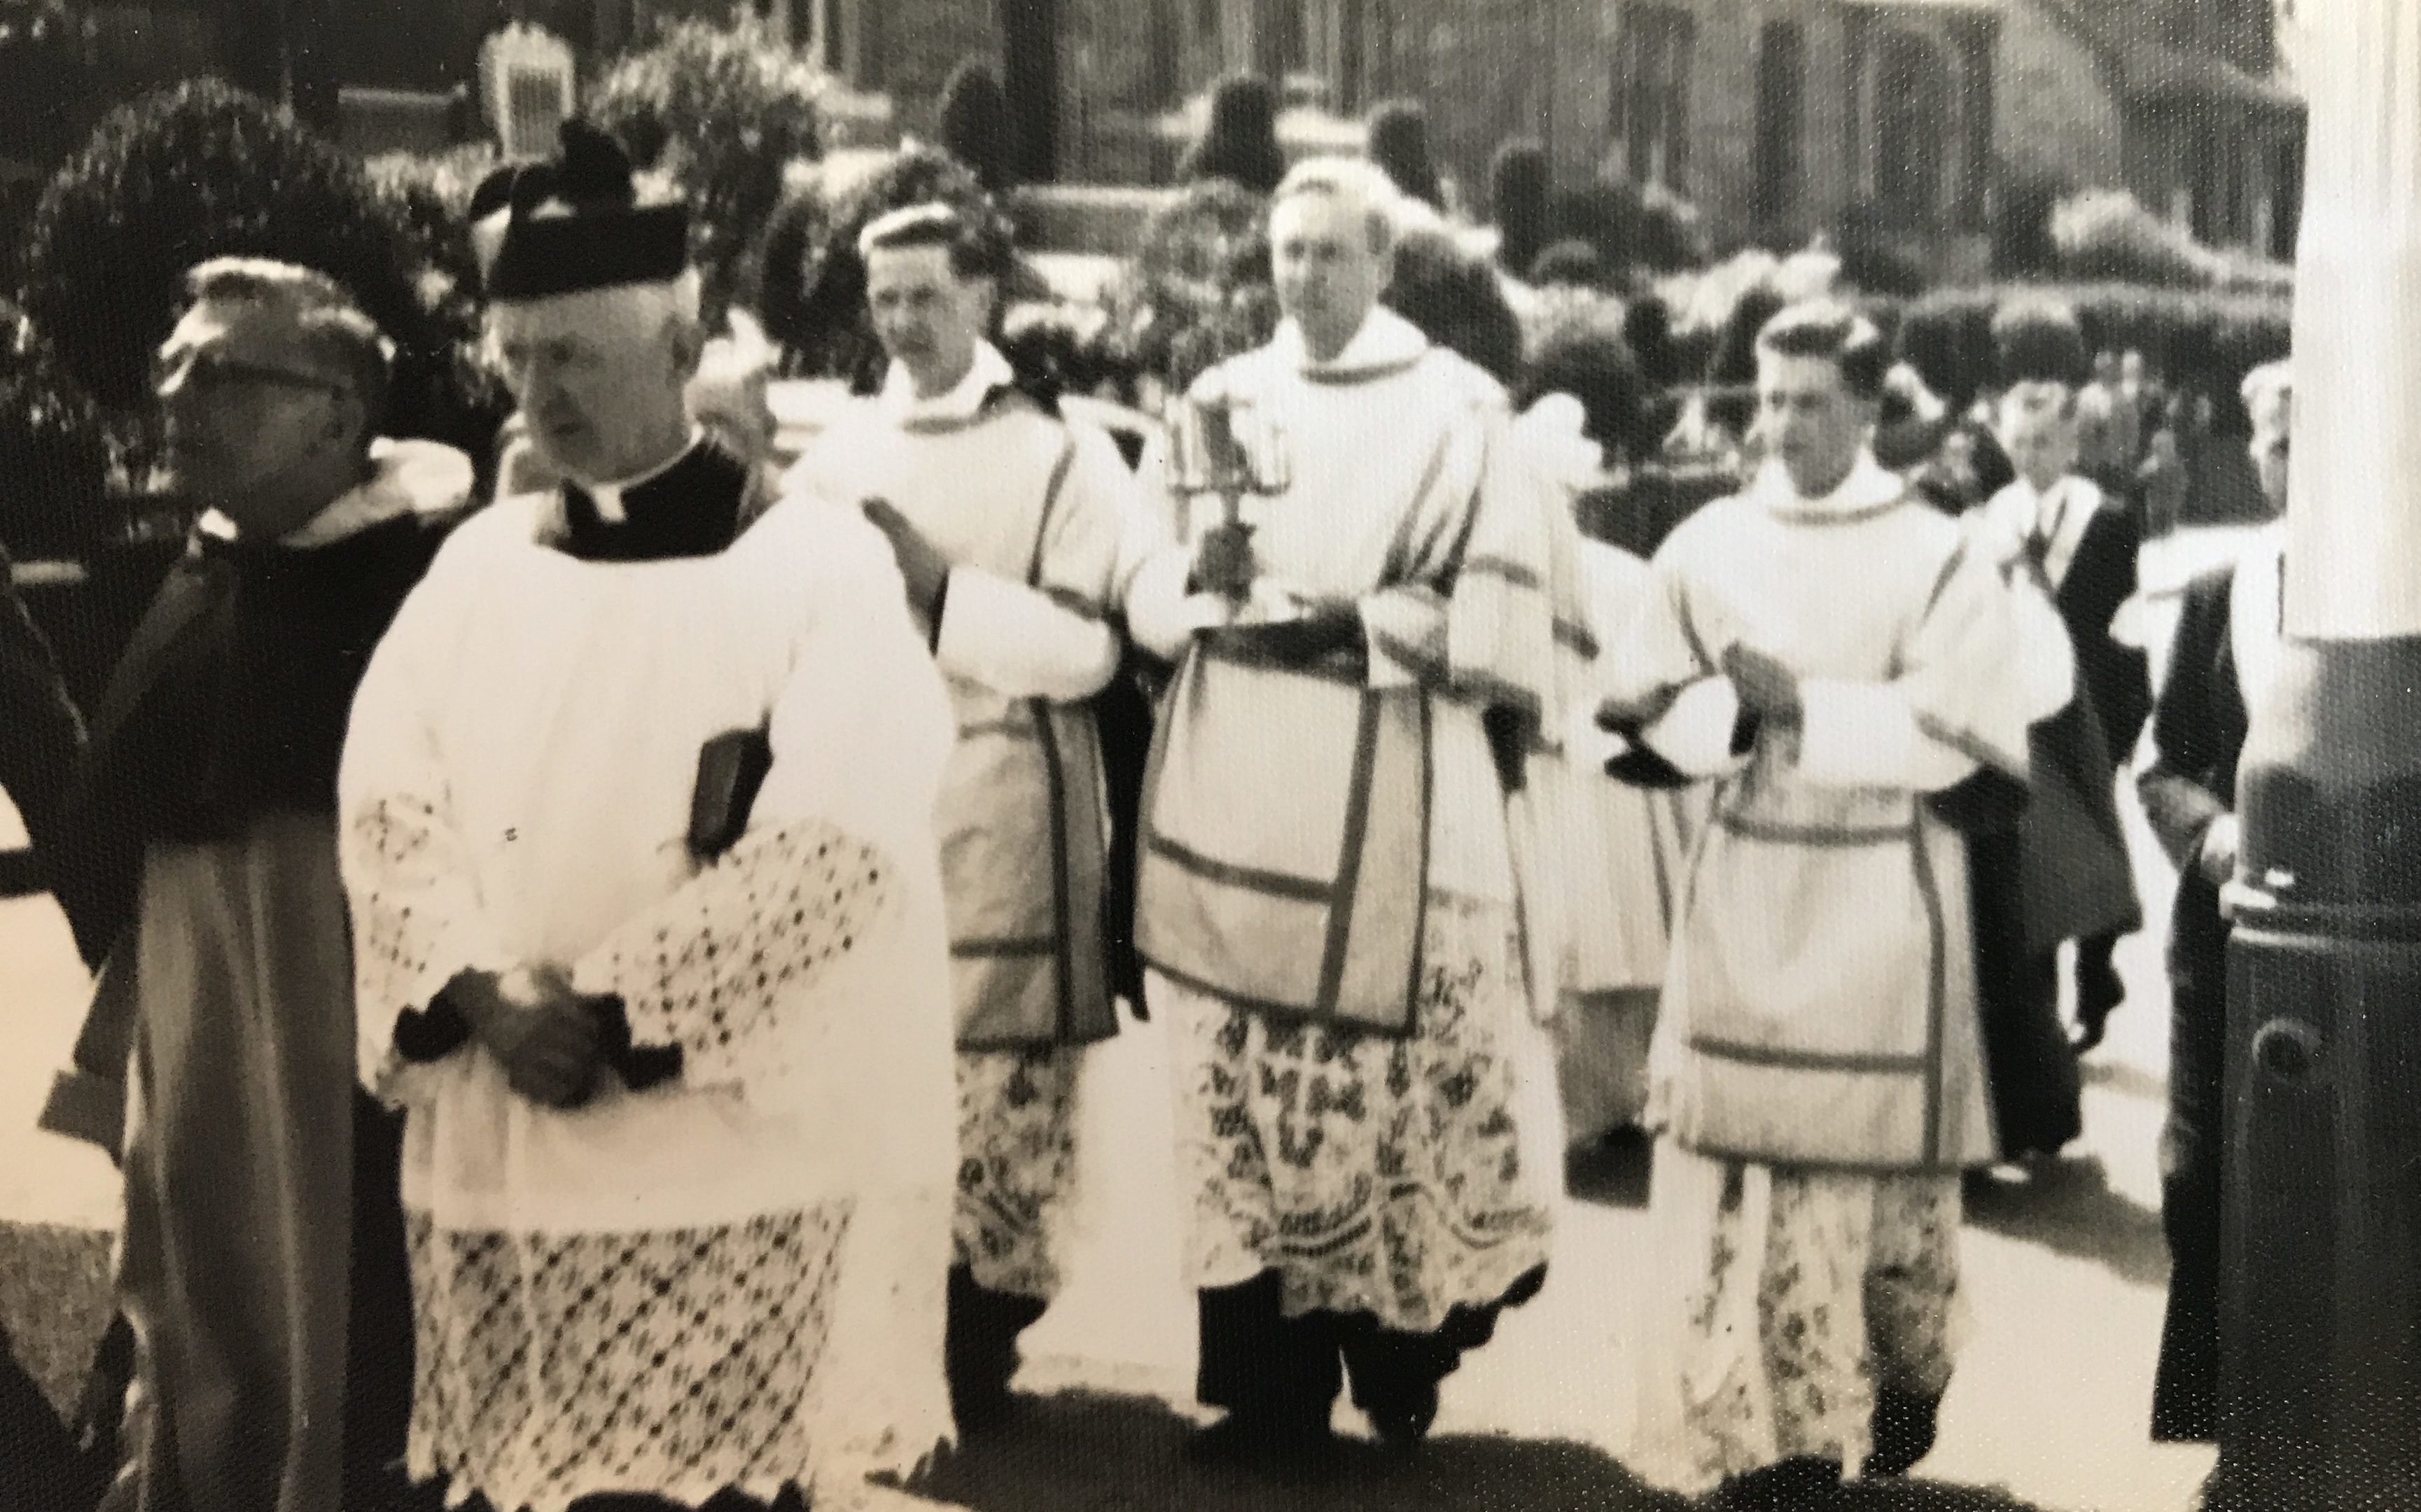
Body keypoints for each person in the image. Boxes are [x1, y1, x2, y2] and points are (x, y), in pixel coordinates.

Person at [335, 121, 960, 1512]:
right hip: (504, 1135)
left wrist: (608, 1015)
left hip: (727, 1146)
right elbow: (387, 801)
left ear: (681, 354)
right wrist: (482, 991)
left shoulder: (817, 566)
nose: (538, 395)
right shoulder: (479, 566)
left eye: (577, 359)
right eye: (518, 361)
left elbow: (838, 847)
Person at [1125, 156, 1580, 1466]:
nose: (1303, 277)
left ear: (1383, 264)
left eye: (1330, 253)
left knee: (1390, 1091)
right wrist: (1193, 586)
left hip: (1400, 767)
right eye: (1285, 254)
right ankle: (1266, 1386)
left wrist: (1356, 623)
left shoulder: (1456, 408)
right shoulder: (1217, 400)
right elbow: (1147, 589)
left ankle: (1398, 1354)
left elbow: (1495, 614)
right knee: (1237, 1082)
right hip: (1240, 780)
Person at [1600, 300, 2072, 1506]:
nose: (1782, 425)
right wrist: (1740, 713)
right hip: (1747, 884)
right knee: (1741, 1186)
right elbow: (1649, 712)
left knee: (1862, 1195)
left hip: (1880, 901)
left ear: (1869, 409)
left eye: (1811, 401)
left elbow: (1967, 733)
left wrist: (1808, 706)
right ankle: (1769, 1447)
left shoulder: (1932, 549)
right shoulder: (1707, 539)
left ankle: (1890, 1386)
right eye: (1767, 398)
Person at [41, 257, 471, 1512]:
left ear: (338, 413)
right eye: (170, 366)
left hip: (337, 995)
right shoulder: (212, 561)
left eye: (219, 373)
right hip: (195, 991)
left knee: (326, 1286)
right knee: (190, 1270)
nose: (175, 394)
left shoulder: (423, 579)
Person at [788, 197, 1146, 1434]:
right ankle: (892, 1317)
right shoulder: (837, 453)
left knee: (993, 1080)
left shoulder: (1062, 454)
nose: (900, 323)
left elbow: (1096, 650)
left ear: (985, 298)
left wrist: (946, 597)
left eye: (924, 297)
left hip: (1003, 786)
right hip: (869, 788)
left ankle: (978, 1329)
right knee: (873, 1064)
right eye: (882, 298)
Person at [2140, 360, 2290, 1446]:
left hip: (2370, 952)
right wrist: (2209, 835)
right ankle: (2221, 1430)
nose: (2302, 467)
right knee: (2201, 1185)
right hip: (2224, 945)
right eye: (2283, 444)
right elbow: (2163, 765)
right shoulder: (2216, 594)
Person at [1984, 382, 2150, 1073]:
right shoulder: (1993, 516)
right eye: (2017, 442)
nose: (2029, 456)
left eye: (2043, 442)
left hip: (2093, 714)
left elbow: (2128, 632)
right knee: (2036, 861)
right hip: (2021, 713)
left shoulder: (2106, 519)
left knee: (2092, 852)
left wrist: (2119, 729)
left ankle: (2097, 973)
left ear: (2072, 444)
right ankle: (2045, 1015)